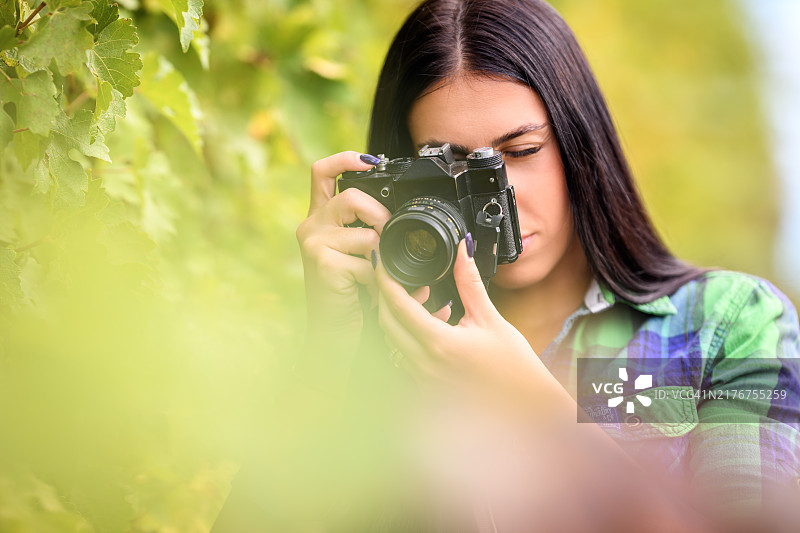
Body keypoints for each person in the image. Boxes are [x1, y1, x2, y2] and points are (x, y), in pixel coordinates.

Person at [214, 1, 800, 531]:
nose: (502, 198)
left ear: (579, 144)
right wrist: (326, 356)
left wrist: (533, 404)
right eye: (453, 172)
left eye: (519, 153)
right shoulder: (385, 343)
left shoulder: (723, 324)